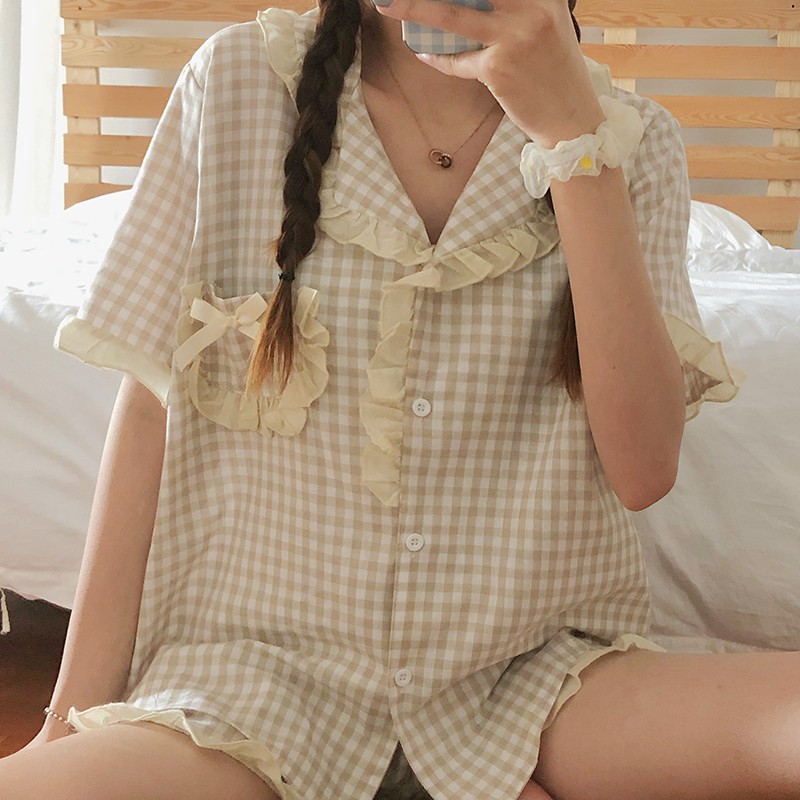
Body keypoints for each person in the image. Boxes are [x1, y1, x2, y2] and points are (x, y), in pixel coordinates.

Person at [2, 0, 797, 798]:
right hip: (251, 686)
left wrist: (573, 143)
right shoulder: (239, 81)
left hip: (537, 682)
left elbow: (644, 470)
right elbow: (152, 411)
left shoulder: (634, 139)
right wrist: (66, 718)